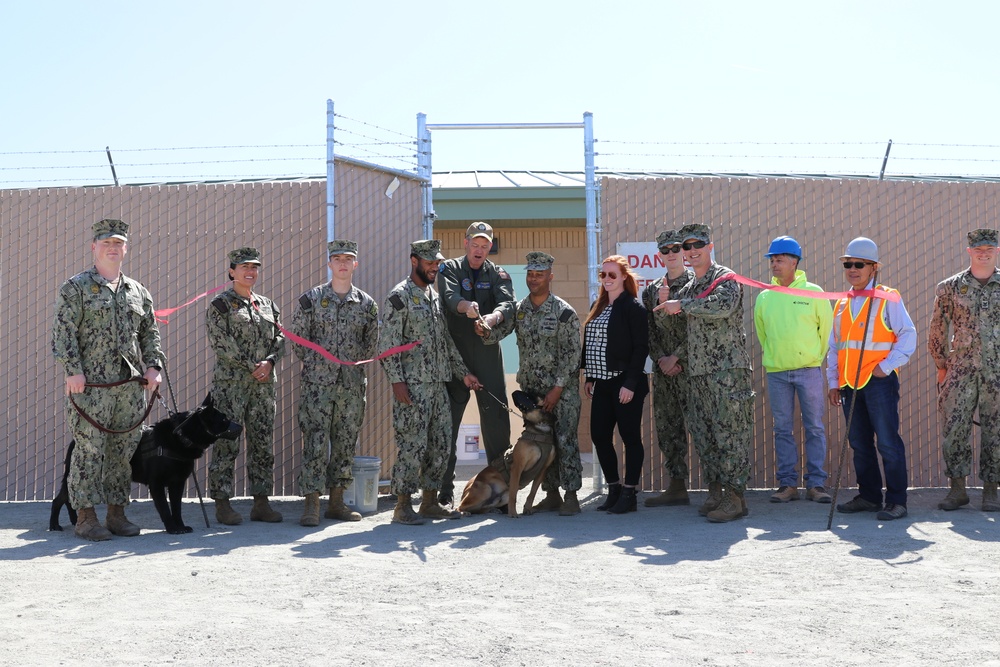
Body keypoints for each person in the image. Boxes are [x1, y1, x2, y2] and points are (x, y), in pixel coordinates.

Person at [52, 218, 164, 541]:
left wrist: (154, 366)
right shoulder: (75, 288)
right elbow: (63, 332)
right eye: (106, 243)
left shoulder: (138, 292)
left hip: (129, 389)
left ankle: (117, 514)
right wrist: (72, 369)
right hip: (90, 389)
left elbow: (150, 333)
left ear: (126, 249)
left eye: (118, 244)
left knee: (123, 450)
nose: (113, 249)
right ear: (93, 247)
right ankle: (85, 518)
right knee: (88, 450)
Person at [380, 240, 482, 525]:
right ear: (414, 261)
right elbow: (386, 344)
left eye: (437, 263)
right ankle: (402, 506)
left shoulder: (433, 296)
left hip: (438, 385)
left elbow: (444, 342)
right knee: (412, 445)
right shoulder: (399, 296)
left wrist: (462, 372)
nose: (434, 267)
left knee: (440, 444)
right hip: (413, 387)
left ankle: (429, 502)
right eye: (429, 262)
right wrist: (397, 381)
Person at [659, 223, 754, 523]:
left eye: (697, 243)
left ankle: (736, 498)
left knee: (731, 435)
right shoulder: (689, 287)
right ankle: (717, 491)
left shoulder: (725, 278)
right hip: (698, 373)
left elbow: (722, 306)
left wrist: (681, 304)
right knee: (706, 436)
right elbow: (676, 329)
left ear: (710, 245)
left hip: (727, 372)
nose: (691, 250)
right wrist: (664, 306)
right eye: (686, 246)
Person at [483, 251, 584, 515]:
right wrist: (485, 330)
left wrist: (558, 389)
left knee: (564, 440)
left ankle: (571, 494)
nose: (534, 279)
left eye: (539, 274)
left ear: (550, 277)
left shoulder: (563, 312)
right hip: (533, 392)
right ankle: (551, 494)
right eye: (530, 274)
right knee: (540, 443)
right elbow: (500, 333)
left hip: (561, 392)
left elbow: (572, 354)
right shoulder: (520, 310)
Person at [289, 240, 379, 526]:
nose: (342, 263)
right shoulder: (311, 300)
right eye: (337, 258)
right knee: (315, 443)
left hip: (351, 387)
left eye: (347, 259)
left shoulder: (367, 304)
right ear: (329, 264)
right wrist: (321, 366)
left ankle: (336, 502)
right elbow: (299, 342)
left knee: (344, 443)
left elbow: (371, 345)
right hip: (318, 385)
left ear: (355, 265)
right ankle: (312, 504)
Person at [828, 237, 917, 521]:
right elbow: (835, 346)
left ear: (873, 268)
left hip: (878, 383)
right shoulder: (843, 303)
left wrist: (887, 366)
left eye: (858, 264)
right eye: (848, 264)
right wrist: (833, 382)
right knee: (859, 443)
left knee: (888, 443)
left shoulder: (888, 297)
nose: (852, 269)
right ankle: (869, 497)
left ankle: (896, 501)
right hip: (849, 385)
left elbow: (908, 335)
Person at [436, 222, 516, 506]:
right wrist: (466, 307)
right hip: (455, 355)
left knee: (496, 420)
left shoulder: (498, 273)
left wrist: (492, 319)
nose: (480, 250)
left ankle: (503, 487)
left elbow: (508, 304)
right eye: (475, 244)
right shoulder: (450, 269)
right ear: (465, 242)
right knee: (448, 424)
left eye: (485, 245)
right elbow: (449, 297)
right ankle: (443, 488)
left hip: (486, 352)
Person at [206, 247, 286, 525]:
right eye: (244, 267)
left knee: (263, 443)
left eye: (254, 267)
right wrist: (251, 366)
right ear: (231, 272)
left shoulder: (267, 305)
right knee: (227, 442)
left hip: (263, 387)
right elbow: (221, 343)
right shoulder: (221, 305)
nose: (250, 272)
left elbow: (280, 337)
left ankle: (261, 502)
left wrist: (270, 362)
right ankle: (222, 502)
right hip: (232, 387)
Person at [753, 236, 834, 504]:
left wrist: (813, 359)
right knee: (782, 429)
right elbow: (763, 333)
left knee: (814, 427)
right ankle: (787, 484)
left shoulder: (814, 291)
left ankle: (817, 484)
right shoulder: (765, 296)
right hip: (777, 373)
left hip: (809, 371)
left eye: (779, 259)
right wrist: (778, 357)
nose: (774, 264)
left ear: (794, 262)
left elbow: (826, 333)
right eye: (772, 260)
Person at [929, 228, 1000, 512]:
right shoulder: (950, 287)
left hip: (997, 371)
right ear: (969, 251)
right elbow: (938, 327)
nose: (983, 253)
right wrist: (941, 364)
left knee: (996, 430)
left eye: (989, 249)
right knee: (954, 428)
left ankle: (991, 492)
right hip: (960, 370)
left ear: (997, 251)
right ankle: (957, 490)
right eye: (978, 249)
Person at [582, 255, 649, 514]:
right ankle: (614, 488)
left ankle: (630, 493)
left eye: (612, 275)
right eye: (603, 275)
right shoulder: (597, 305)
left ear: (623, 277)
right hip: (601, 381)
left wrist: (630, 383)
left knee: (630, 437)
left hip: (625, 381)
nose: (607, 279)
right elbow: (593, 343)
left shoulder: (633, 308)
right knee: (599, 435)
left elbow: (641, 348)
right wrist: (589, 375)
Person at [641, 229, 694, 507]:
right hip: (663, 371)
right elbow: (649, 331)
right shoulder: (651, 291)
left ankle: (720, 489)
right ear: (659, 255)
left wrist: (678, 357)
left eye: (676, 249)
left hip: (692, 369)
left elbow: (698, 330)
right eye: (666, 250)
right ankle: (676, 486)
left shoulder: (696, 286)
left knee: (702, 427)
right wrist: (662, 358)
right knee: (668, 426)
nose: (671, 254)